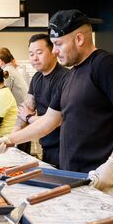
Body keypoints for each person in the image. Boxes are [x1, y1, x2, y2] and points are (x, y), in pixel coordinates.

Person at [0, 9, 113, 201]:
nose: (54, 51)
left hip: (101, 174)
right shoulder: (70, 77)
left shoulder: (106, 65)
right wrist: (10, 140)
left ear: (79, 39)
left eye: (58, 44)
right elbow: (49, 122)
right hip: (73, 173)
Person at [13, 34, 69, 168]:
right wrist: (12, 138)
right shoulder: (37, 78)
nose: (34, 58)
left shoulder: (65, 78)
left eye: (39, 53)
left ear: (53, 52)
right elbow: (25, 109)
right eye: (31, 54)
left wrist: (30, 117)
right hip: (46, 145)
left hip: (64, 148)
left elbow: (56, 121)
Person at [0, 48, 31, 153]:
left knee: (19, 155)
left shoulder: (7, 73)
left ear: (0, 61)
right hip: (24, 118)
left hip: (20, 120)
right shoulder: (13, 71)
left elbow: (3, 95)